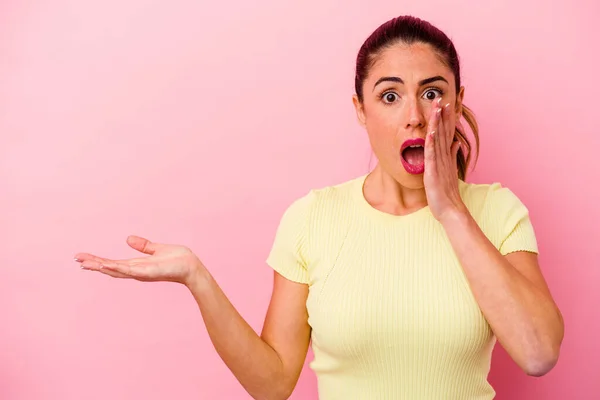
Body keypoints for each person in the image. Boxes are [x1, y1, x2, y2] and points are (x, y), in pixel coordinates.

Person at [74, 15, 564, 400]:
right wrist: (196, 278)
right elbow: (273, 384)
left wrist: (452, 211)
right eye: (389, 95)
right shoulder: (312, 219)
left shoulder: (497, 212)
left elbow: (538, 353)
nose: (414, 116)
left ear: (456, 102)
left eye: (432, 93)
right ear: (360, 110)